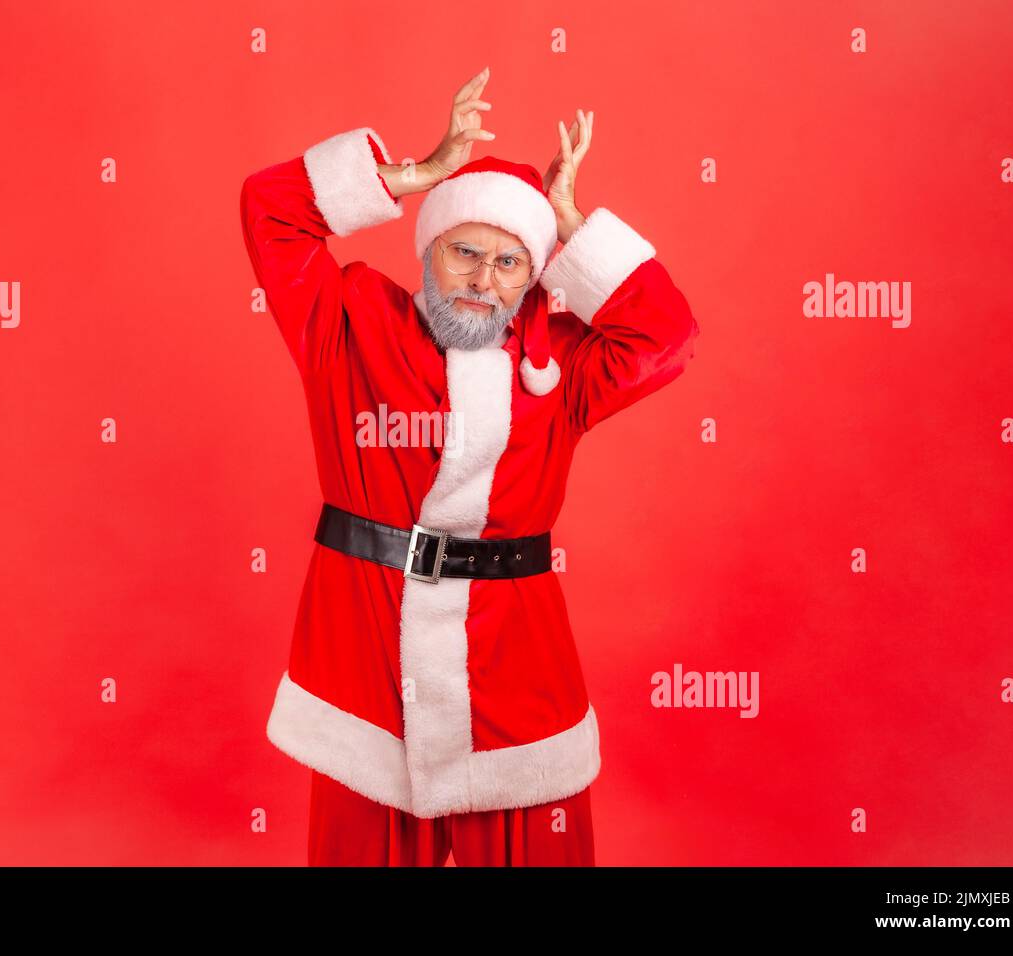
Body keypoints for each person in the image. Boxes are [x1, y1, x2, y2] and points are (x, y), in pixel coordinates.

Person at [240, 66, 700, 866]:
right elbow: (268, 210)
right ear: (431, 248)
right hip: (366, 669)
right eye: (465, 252)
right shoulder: (349, 324)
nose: (484, 281)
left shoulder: (563, 368)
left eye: (510, 262)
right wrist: (416, 173)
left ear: (535, 278)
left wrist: (571, 222)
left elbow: (668, 337)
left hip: (516, 677)